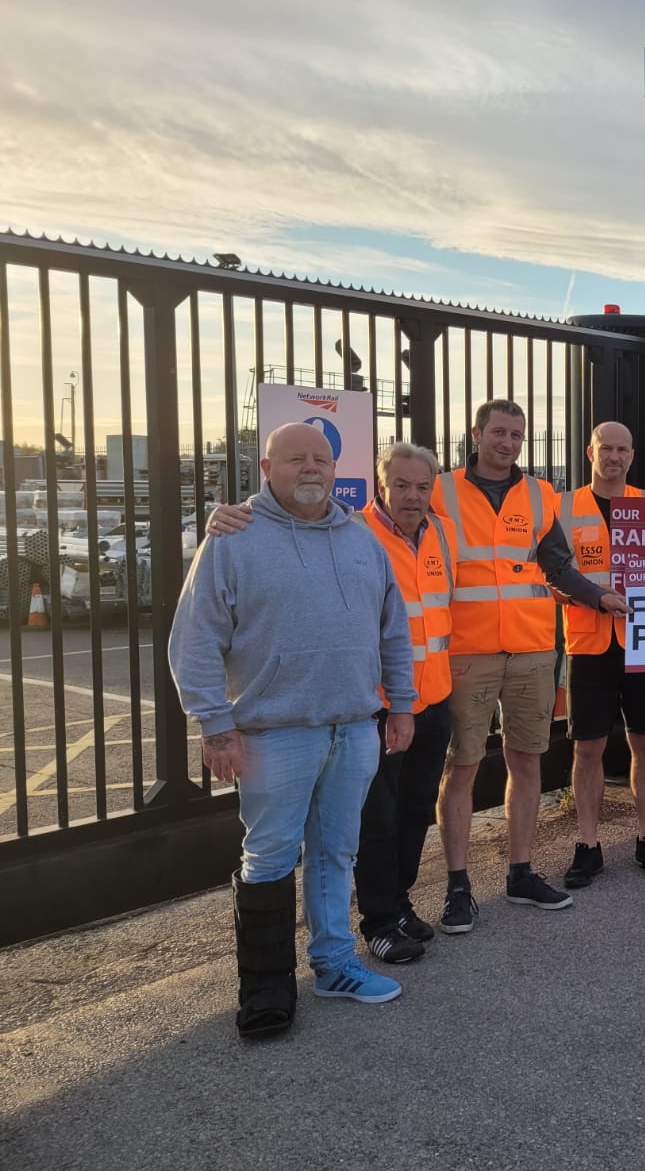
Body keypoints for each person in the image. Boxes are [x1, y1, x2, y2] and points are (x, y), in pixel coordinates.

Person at [171, 422, 416, 1037]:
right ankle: (266, 989)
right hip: (272, 734)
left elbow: (392, 629)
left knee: (337, 853)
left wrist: (403, 703)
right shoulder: (232, 539)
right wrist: (216, 726)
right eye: (296, 459)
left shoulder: (361, 540)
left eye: (321, 459)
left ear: (336, 469)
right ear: (266, 467)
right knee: (271, 857)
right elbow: (195, 639)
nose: (311, 469)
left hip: (353, 727)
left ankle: (335, 966)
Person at [431, 400, 629, 930]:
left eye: (516, 434)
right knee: (463, 768)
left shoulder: (541, 494)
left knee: (526, 762)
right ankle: (457, 885)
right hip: (467, 651)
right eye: (499, 432)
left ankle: (520, 872)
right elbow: (390, 522)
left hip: (533, 649)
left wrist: (598, 596)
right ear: (477, 434)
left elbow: (558, 565)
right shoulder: (440, 488)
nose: (508, 442)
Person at [353, 442, 458, 965]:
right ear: (380, 484)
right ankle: (377, 920)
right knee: (379, 817)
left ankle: (399, 903)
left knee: (416, 810)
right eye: (402, 485)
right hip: (380, 706)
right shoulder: (354, 533)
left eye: (422, 486)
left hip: (434, 699)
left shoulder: (439, 532)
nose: (412, 496)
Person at [557, 421, 645, 887]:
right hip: (589, 643)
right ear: (591, 452)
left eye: (623, 449)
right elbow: (553, 575)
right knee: (588, 748)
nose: (615, 456)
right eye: (606, 448)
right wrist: (588, 596)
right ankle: (588, 845)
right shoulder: (566, 507)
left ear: (633, 455)